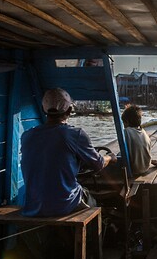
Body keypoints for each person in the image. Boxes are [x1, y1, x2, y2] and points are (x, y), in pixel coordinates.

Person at [20, 88, 115, 217]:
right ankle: (96, 234)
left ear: (44, 110)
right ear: (70, 110)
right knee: (93, 201)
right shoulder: (75, 134)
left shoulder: (27, 136)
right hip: (64, 205)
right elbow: (98, 163)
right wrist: (110, 157)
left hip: (32, 207)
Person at [121, 104, 157, 176]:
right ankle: (156, 162)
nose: (123, 125)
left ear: (126, 122)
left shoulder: (126, 131)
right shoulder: (144, 132)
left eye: (123, 122)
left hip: (133, 170)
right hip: (145, 167)